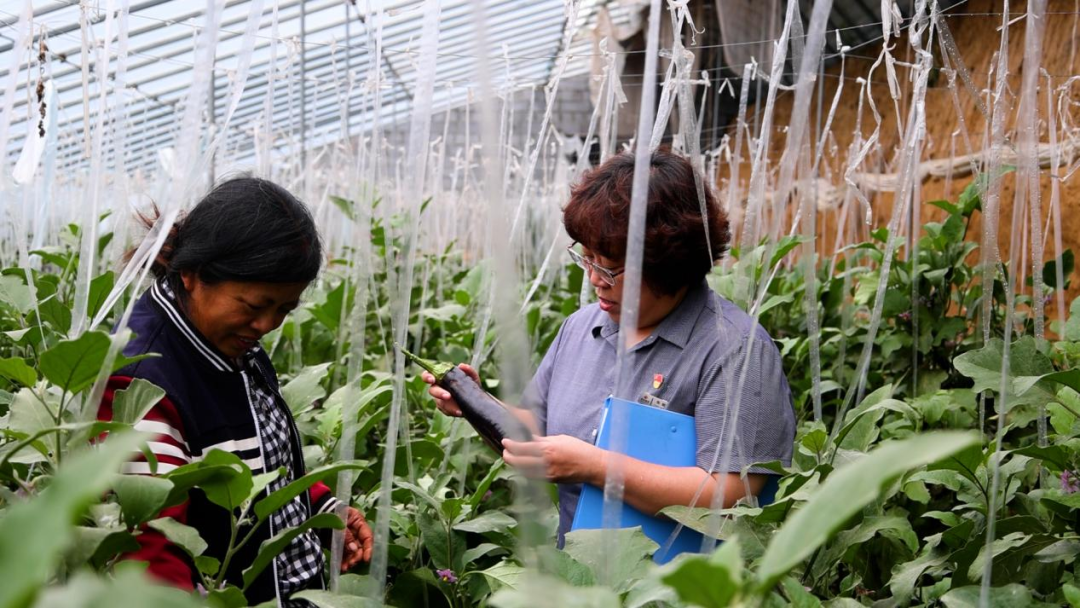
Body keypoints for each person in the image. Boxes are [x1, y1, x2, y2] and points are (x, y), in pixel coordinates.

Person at [424, 149, 795, 543]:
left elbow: (734, 496)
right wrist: (475, 403)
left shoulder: (735, 350)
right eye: (587, 258)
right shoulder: (580, 329)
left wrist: (599, 468)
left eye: (611, 267)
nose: (594, 280)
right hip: (578, 568)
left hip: (679, 577)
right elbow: (535, 432)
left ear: (670, 263)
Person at [98, 177, 373, 605]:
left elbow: (255, 455)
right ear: (192, 273)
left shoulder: (223, 340)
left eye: (284, 309)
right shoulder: (141, 382)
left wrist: (317, 508)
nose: (267, 325)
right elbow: (152, 551)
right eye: (255, 305)